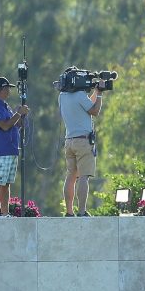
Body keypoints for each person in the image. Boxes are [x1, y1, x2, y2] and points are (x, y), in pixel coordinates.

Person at [58, 68, 106, 216]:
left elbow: (86, 105)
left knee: (71, 175)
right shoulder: (80, 95)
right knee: (84, 177)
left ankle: (69, 211)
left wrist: (95, 92)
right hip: (83, 142)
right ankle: (82, 211)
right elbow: (95, 110)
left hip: (69, 141)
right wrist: (100, 95)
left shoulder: (62, 96)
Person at [0, 77, 29, 217]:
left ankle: (4, 213)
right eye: (7, 88)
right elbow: (4, 125)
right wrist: (18, 114)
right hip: (1, 151)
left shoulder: (4, 105)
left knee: (6, 183)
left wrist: (20, 117)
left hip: (11, 150)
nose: (9, 91)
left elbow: (14, 124)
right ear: (2, 89)